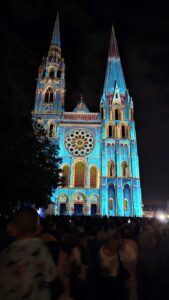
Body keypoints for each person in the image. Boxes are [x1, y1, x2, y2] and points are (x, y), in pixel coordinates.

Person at [0, 207, 56, 300]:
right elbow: (51, 274)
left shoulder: (5, 252)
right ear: (38, 229)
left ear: (15, 228)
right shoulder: (41, 248)